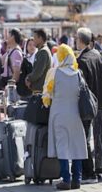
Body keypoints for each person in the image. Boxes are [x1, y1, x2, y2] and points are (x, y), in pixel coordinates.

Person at [42, 44, 88, 190]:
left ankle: (66, 179)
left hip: (59, 115)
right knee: (76, 146)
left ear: (60, 56)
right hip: (75, 114)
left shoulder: (54, 73)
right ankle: (77, 179)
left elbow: (46, 97)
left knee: (62, 146)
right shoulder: (78, 73)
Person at [76, 27, 102, 184]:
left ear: (81, 40)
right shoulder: (96, 54)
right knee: (91, 137)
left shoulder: (82, 60)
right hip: (99, 102)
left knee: (83, 138)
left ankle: (89, 173)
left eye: (76, 39)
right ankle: (95, 169)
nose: (75, 42)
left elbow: (81, 87)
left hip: (86, 105)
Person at [26, 29, 52, 93]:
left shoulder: (43, 52)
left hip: (40, 90)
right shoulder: (43, 51)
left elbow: (37, 72)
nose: (33, 40)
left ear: (40, 38)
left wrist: (28, 78)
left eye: (35, 38)